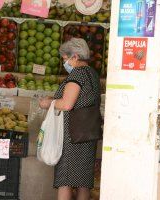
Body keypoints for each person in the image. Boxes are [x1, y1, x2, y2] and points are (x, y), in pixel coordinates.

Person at [39, 38, 101, 200]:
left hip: (71, 134)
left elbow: (67, 104)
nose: (65, 63)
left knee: (65, 178)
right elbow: (82, 99)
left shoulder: (78, 74)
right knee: (83, 181)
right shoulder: (92, 74)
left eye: (65, 59)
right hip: (88, 133)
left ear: (75, 57)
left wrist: (48, 103)